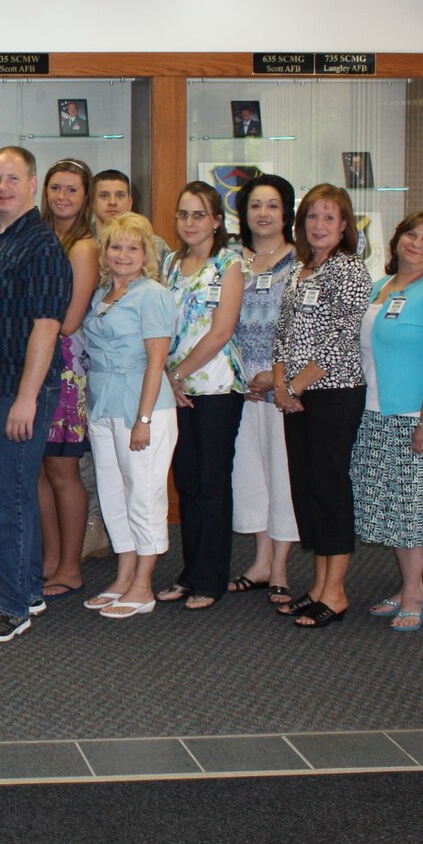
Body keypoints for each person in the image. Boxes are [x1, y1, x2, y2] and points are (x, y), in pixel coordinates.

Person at [0, 146, 70, 643]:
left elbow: (46, 327)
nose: (3, 187)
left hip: (15, 394)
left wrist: (27, 398)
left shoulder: (42, 246)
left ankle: (17, 601)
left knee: (13, 496)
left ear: (33, 182)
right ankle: (23, 586)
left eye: (13, 179)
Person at [351, 211, 423, 633]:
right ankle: (408, 586)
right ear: (397, 239)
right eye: (411, 235)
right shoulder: (381, 287)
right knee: (394, 508)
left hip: (420, 416)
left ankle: (414, 593)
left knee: (413, 510)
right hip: (379, 410)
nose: (416, 244)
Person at [272, 184, 376, 627]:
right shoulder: (300, 270)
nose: (319, 225)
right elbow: (282, 333)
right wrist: (281, 385)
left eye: (329, 218)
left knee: (330, 488)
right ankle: (317, 585)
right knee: (308, 488)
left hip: (333, 394)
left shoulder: (350, 270)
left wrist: (294, 387)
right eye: (312, 216)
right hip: (296, 395)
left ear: (345, 226)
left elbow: (340, 339)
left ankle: (336, 592)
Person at [80, 213, 176, 620]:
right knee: (113, 496)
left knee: (144, 496)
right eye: (115, 246)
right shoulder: (102, 292)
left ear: (147, 254)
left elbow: (157, 363)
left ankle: (144, 585)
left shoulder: (152, 294)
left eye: (133, 247)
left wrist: (145, 419)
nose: (123, 255)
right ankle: (123, 578)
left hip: (143, 405)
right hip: (103, 404)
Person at [161, 181, 246, 611]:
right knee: (187, 484)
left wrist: (177, 374)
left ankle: (210, 579)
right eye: (183, 214)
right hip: (175, 391)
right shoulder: (172, 264)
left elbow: (222, 330)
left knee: (212, 485)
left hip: (213, 390)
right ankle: (189, 572)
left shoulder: (229, 264)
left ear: (216, 220)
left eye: (199, 214)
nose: (190, 222)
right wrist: (168, 378)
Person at [227, 175, 300, 605]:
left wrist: (276, 379)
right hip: (242, 389)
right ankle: (259, 560)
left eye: (272, 205)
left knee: (282, 474)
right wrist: (242, 379)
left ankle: (280, 567)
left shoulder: (300, 263)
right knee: (249, 474)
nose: (263, 213)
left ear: (286, 212)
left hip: (281, 387)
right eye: (255, 205)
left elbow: (305, 332)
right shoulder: (234, 262)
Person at [35, 158, 100, 600]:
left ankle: (72, 567)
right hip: (32, 362)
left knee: (63, 470)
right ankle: (50, 559)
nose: (62, 196)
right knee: (38, 469)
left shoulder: (84, 246)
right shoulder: (38, 237)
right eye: (56, 188)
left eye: (71, 189)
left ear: (85, 197)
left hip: (62, 367)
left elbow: (72, 319)